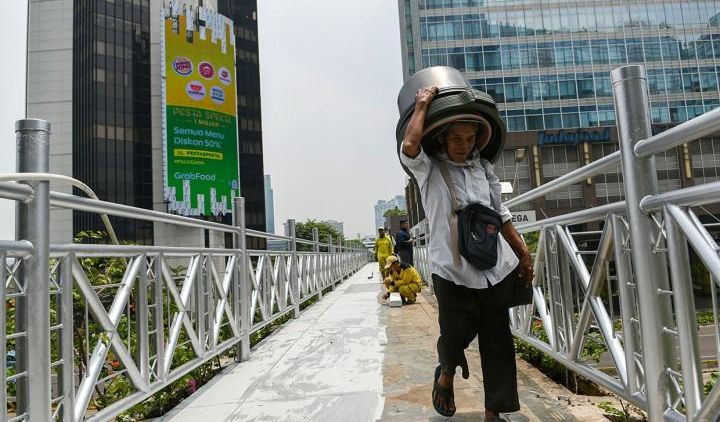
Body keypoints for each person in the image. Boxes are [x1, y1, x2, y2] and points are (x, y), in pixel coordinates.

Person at [400, 86, 534, 421]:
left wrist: (523, 253)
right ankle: (446, 374)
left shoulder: (482, 169)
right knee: (455, 336)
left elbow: (500, 214)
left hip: (493, 266)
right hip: (452, 270)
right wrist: (422, 104)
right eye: (457, 138)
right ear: (444, 139)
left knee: (498, 342)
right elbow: (409, 147)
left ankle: (494, 414)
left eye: (470, 138)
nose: (464, 145)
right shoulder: (429, 169)